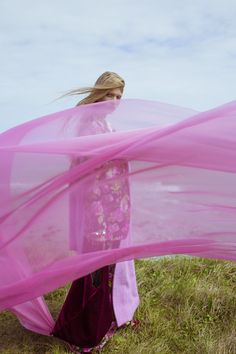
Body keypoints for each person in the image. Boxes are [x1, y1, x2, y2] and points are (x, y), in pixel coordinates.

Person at [51, 72, 140, 353]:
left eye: (119, 97)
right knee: (95, 274)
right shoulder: (89, 127)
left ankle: (107, 320)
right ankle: (83, 332)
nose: (114, 101)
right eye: (110, 95)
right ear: (98, 94)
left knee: (108, 271)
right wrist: (97, 220)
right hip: (99, 213)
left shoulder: (104, 124)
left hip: (114, 211)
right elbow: (89, 178)